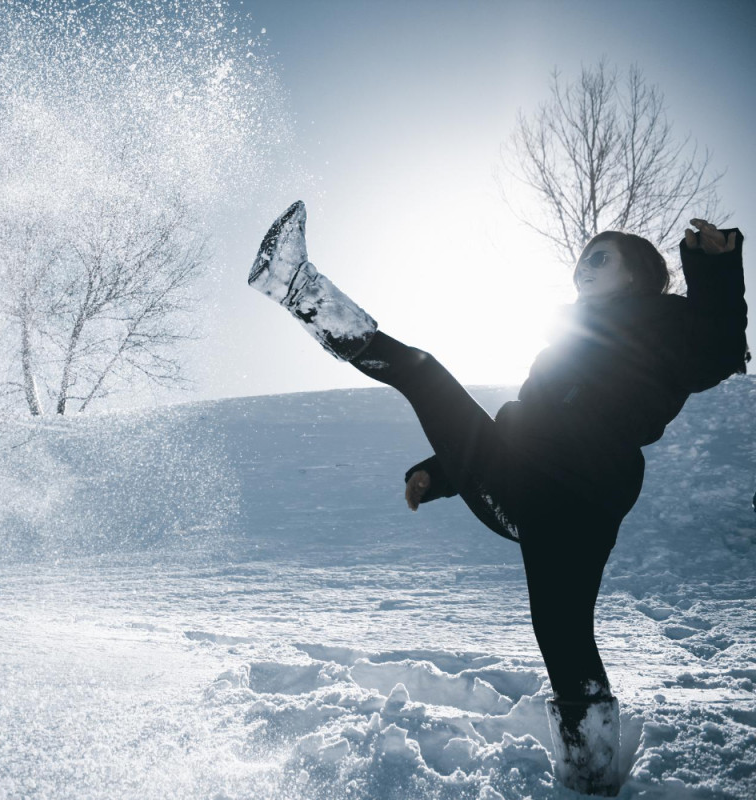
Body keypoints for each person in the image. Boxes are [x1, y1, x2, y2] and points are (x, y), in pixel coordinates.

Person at [248, 201, 748, 796]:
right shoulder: (563, 344)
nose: (584, 267)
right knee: (423, 370)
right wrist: (441, 472)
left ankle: (589, 778)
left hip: (584, 498)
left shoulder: (666, 324)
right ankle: (295, 286)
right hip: (519, 485)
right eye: (581, 260)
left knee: (565, 635)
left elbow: (721, 349)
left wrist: (713, 266)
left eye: (600, 257)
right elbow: (518, 427)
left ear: (637, 273)